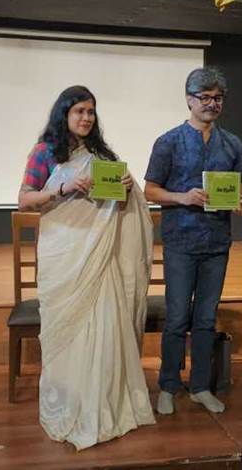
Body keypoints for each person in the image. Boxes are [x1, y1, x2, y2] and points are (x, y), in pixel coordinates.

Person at [18, 85, 155, 450]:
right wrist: (61, 189)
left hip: (99, 257)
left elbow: (119, 204)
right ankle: (70, 401)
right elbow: (25, 199)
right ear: (64, 113)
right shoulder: (45, 152)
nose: (86, 117)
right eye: (79, 110)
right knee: (68, 331)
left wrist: (128, 188)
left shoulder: (101, 154)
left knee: (104, 326)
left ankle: (104, 402)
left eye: (91, 111)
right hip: (64, 255)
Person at [145, 67, 242, 415]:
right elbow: (150, 189)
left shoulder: (233, 142)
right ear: (189, 99)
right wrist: (182, 197)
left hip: (218, 242)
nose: (211, 104)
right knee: (177, 318)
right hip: (180, 241)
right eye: (204, 97)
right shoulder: (168, 141)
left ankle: (201, 386)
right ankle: (168, 384)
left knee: (205, 318)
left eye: (217, 98)